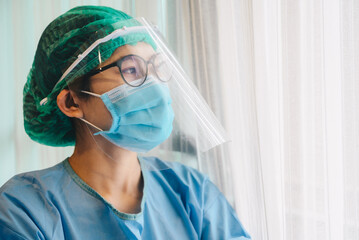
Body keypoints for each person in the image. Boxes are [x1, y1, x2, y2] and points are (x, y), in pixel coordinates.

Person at [0, 6, 251, 240]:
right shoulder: (25, 209)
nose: (155, 85)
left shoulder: (193, 192)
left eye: (155, 67)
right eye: (131, 69)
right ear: (71, 103)